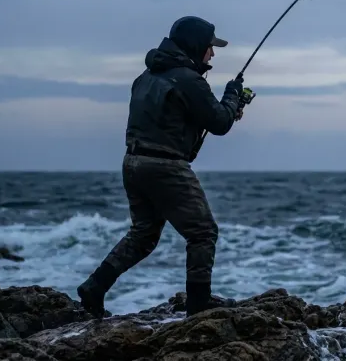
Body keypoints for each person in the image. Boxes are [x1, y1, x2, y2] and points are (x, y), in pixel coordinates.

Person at [77, 16, 245, 318]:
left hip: (133, 163)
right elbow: (219, 123)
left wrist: (226, 106)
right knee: (203, 233)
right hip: (165, 166)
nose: (213, 53)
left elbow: (174, 117)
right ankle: (198, 311)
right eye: (210, 46)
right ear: (196, 45)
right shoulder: (188, 79)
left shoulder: (146, 77)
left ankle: (94, 287)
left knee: (143, 234)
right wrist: (233, 97)